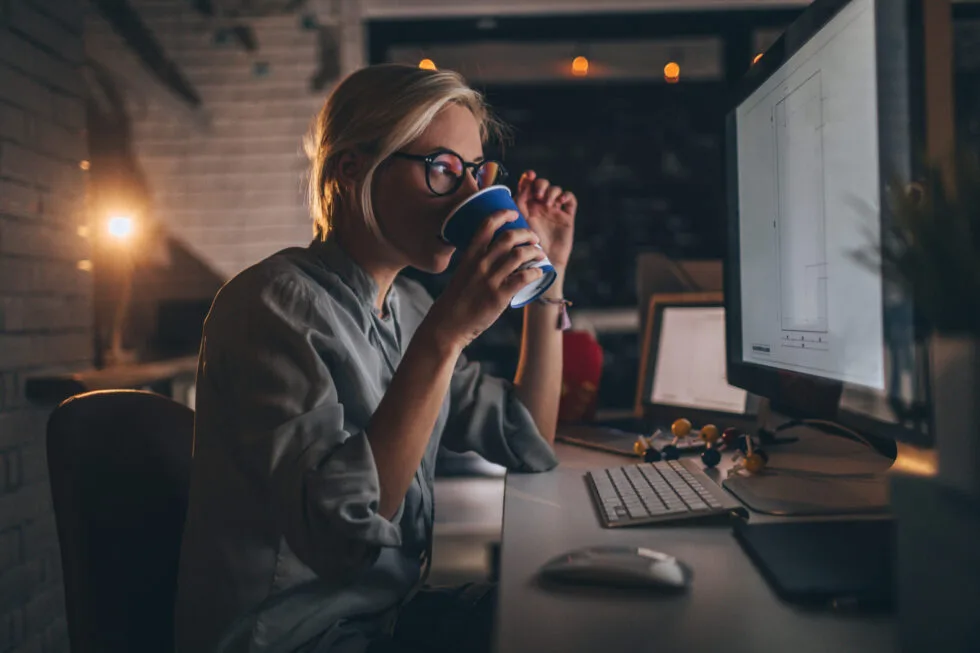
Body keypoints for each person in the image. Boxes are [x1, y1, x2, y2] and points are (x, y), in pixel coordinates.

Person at [174, 63, 578, 653]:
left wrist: (548, 279)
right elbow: (342, 536)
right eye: (442, 169)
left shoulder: (410, 306)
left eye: (474, 171)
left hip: (388, 620)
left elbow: (527, 438)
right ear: (351, 170)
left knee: (576, 614)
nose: (470, 194)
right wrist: (447, 336)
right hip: (297, 640)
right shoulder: (270, 305)